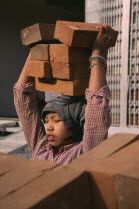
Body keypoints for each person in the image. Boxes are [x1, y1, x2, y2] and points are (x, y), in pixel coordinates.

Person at [13, 25, 114, 165]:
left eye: (56, 120)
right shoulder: (40, 148)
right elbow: (22, 98)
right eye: (46, 120)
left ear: (73, 121)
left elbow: (97, 109)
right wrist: (37, 53)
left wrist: (98, 54)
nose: (48, 127)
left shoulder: (83, 153)